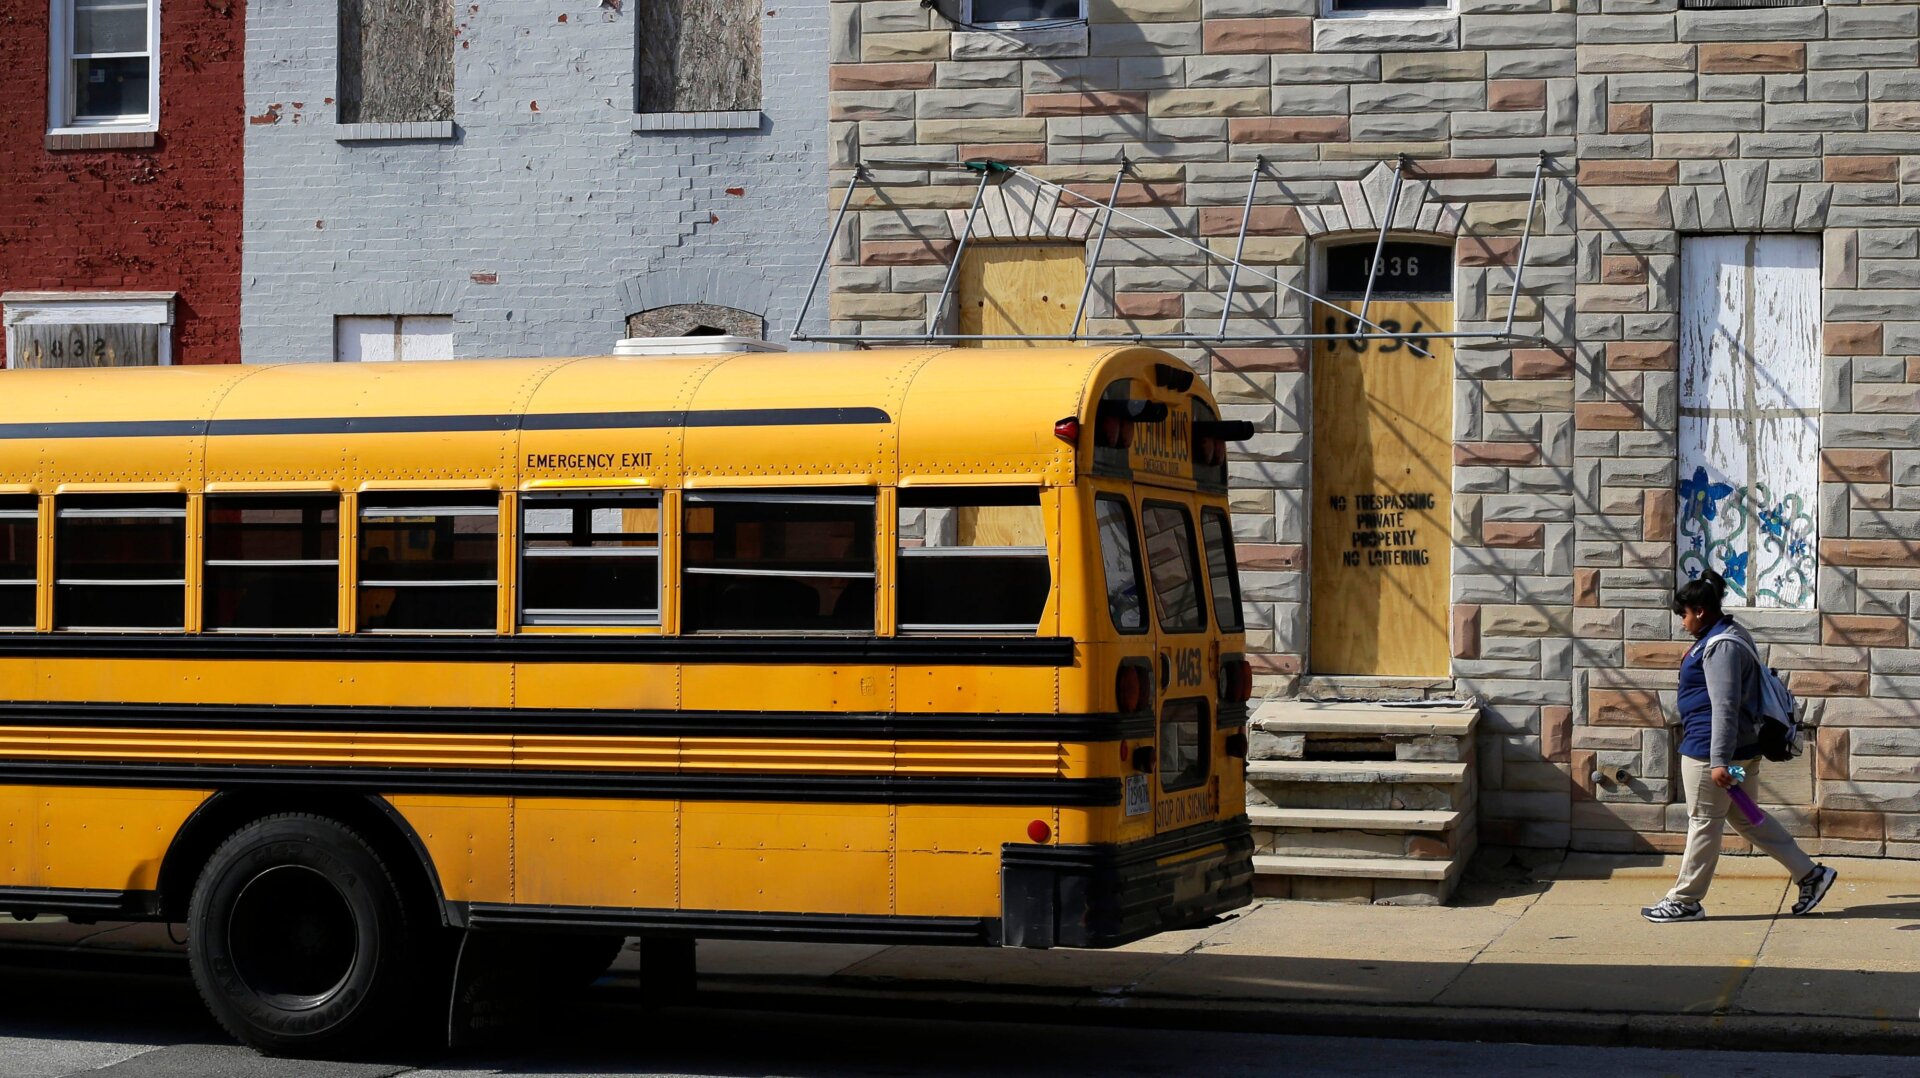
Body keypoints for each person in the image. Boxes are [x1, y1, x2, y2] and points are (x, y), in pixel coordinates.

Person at [1641, 569, 1838, 924]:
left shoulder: (1721, 646)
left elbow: (1726, 705)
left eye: (1683, 614)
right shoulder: (1728, 634)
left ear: (1700, 610)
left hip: (1712, 757)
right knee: (1747, 818)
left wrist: (1718, 760)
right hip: (1738, 756)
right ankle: (1811, 875)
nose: (1682, 623)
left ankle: (1685, 900)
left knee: (1703, 821)